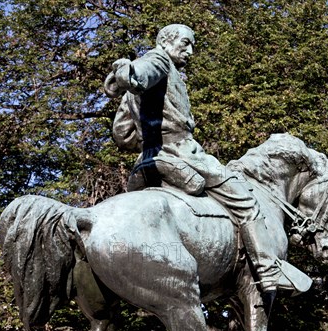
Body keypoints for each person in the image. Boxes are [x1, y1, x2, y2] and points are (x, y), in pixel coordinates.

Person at [104, 24, 309, 301]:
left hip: (146, 162)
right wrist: (127, 73)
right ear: (166, 41)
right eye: (185, 44)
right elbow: (139, 75)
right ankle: (267, 267)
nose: (189, 51)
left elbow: (122, 135)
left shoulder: (137, 93)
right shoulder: (160, 60)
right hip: (181, 153)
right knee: (245, 199)